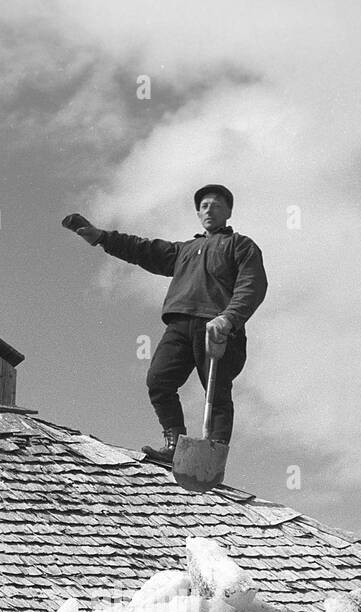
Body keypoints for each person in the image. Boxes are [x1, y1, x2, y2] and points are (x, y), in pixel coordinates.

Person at [62, 184, 267, 461]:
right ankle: (175, 445)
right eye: (204, 205)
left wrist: (229, 318)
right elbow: (143, 249)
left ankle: (213, 455)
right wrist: (102, 238)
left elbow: (252, 285)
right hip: (180, 324)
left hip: (216, 327)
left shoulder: (240, 245)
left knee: (216, 391)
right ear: (197, 212)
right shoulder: (185, 250)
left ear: (229, 211)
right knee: (158, 380)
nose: (210, 209)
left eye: (217, 205)